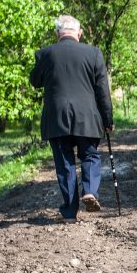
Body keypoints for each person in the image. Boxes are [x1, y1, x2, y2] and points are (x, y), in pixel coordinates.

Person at [30, 15, 114, 223]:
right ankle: (90, 191)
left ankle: (69, 213)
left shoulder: (45, 54)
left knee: (64, 164)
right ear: (79, 33)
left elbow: (35, 81)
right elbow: (102, 90)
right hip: (87, 117)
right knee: (90, 156)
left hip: (56, 118)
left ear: (57, 33)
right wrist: (107, 119)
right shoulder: (93, 53)